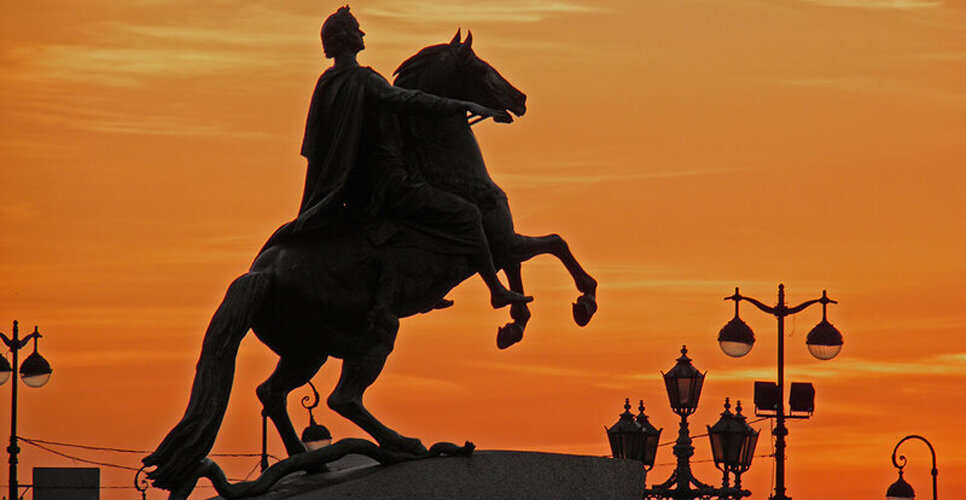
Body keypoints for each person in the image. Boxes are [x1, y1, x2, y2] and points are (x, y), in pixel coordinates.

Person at [280, 5, 530, 309]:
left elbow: (316, 144)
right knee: (467, 214)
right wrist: (464, 105)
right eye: (357, 29)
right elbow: (409, 100)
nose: (362, 33)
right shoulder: (365, 80)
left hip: (353, 189)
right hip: (391, 184)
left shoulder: (326, 83)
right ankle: (496, 289)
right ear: (346, 39)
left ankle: (425, 283)